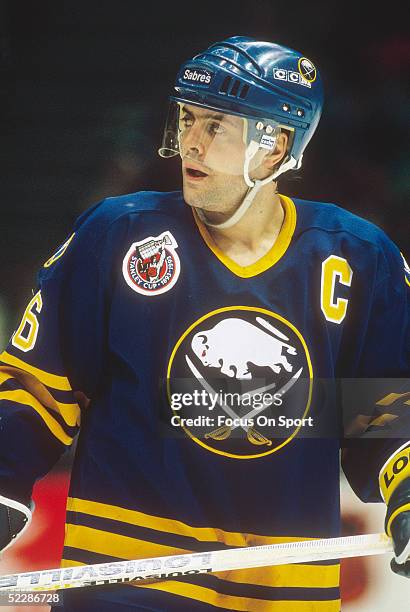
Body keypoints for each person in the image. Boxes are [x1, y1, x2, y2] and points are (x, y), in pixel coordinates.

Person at [0, 36, 409, 611]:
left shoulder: (359, 259)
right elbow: (38, 386)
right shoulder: (119, 235)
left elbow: (385, 417)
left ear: (275, 146)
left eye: (216, 126)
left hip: (282, 595)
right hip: (124, 584)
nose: (190, 141)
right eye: (188, 119)